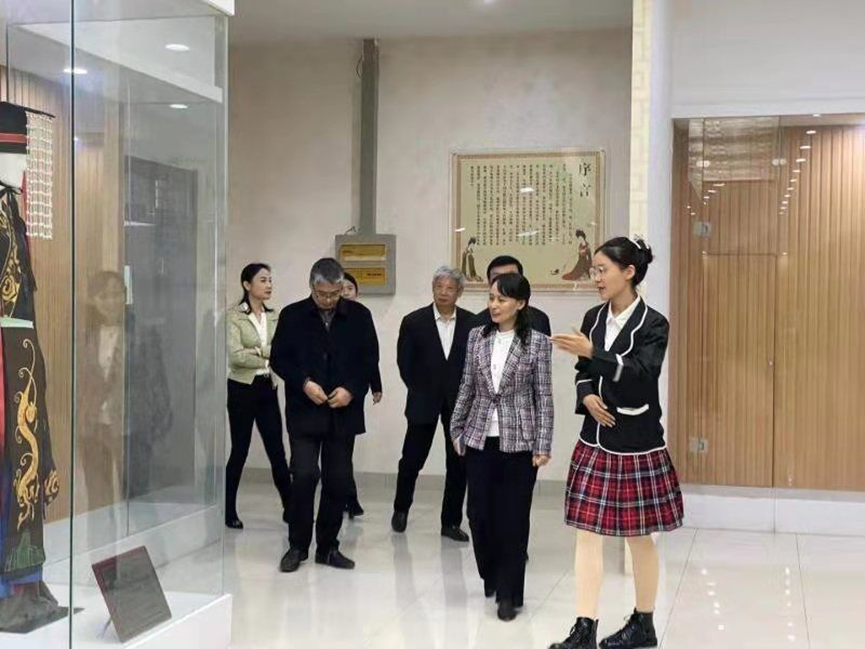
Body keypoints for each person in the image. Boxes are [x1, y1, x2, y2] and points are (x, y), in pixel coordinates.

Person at [548, 237, 684, 649]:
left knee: (639, 536)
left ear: (629, 272)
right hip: (595, 439)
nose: (596, 277)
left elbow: (642, 374)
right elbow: (583, 370)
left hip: (637, 441)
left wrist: (594, 352)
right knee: (587, 533)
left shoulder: (654, 324)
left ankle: (644, 623)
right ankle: (584, 627)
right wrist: (586, 394)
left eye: (603, 270)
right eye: (595, 270)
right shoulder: (593, 317)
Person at [450, 272, 554, 622]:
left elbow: (544, 397)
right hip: (479, 437)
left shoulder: (537, 343)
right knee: (478, 514)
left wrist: (543, 443)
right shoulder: (477, 337)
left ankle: (509, 593)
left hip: (520, 441)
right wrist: (456, 428)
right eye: (491, 298)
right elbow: (467, 385)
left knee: (513, 519)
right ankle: (491, 574)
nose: (494, 305)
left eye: (502, 299)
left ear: (520, 303)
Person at [272, 258, 378, 572]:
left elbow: (369, 359)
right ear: (312, 286)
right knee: (304, 476)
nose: (329, 300)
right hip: (305, 411)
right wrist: (304, 383)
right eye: (322, 294)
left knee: (338, 480)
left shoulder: (359, 316)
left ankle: (328, 547)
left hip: (342, 412)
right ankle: (297, 546)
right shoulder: (292, 315)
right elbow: (279, 359)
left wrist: (351, 390)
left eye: (334, 294)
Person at [392, 267, 475, 541]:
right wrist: (420, 388)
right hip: (423, 400)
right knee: (411, 459)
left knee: (458, 464)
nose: (443, 292)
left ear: (459, 292)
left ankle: (450, 522)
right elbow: (404, 363)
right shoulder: (414, 321)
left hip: (460, 404)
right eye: (439, 287)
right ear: (433, 288)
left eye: (450, 288)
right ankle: (401, 508)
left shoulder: (472, 324)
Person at [225, 263, 292, 530]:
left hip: (267, 387)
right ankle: (229, 509)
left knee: (277, 450)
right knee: (240, 450)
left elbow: (282, 350)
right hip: (241, 388)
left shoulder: (274, 316)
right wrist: (267, 353)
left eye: (270, 280)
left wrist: (256, 351)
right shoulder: (234, 316)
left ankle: (290, 508)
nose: (269, 285)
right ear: (247, 284)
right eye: (263, 280)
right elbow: (235, 356)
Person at [340, 272, 383, 519]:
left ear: (357, 292)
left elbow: (371, 354)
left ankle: (349, 497)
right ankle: (348, 497)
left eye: (350, 288)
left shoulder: (362, 315)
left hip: (354, 391)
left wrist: (376, 385)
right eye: (341, 288)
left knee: (346, 447)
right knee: (338, 449)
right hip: (329, 391)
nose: (345, 292)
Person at [475, 255, 552, 335]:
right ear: (489, 283)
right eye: (497, 277)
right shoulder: (477, 323)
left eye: (510, 277)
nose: (503, 282)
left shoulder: (540, 320)